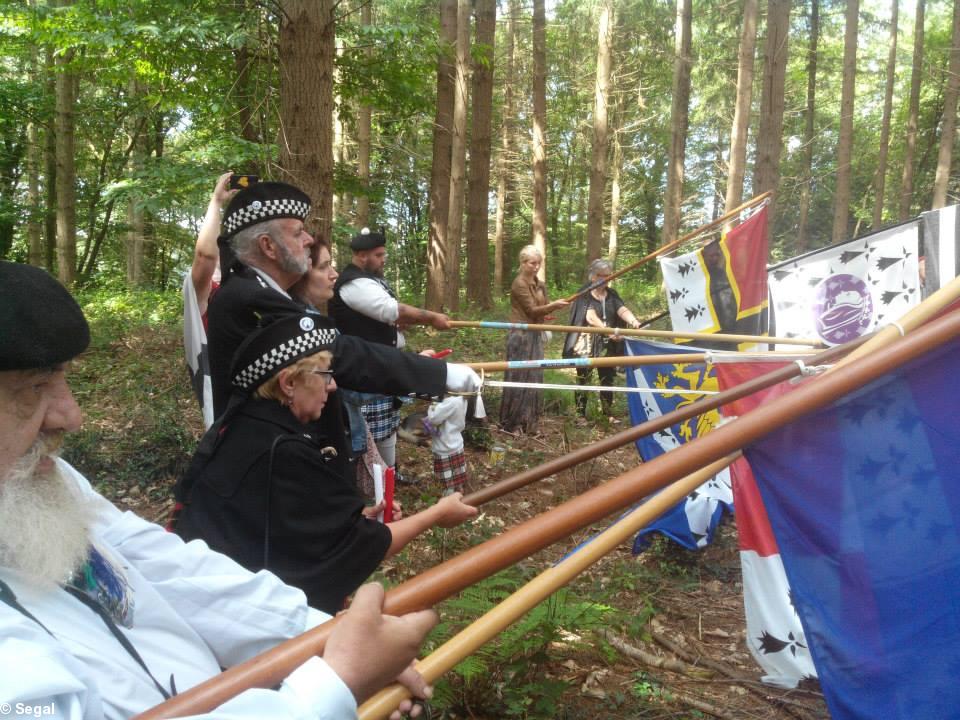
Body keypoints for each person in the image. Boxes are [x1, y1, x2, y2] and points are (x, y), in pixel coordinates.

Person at [0, 260, 437, 720]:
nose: (71, 417)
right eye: (34, 388)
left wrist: (319, 638)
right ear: (288, 384)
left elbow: (165, 564)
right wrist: (332, 684)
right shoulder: (277, 448)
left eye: (64, 379)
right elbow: (336, 544)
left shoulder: (42, 477)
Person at [173, 313, 478, 615]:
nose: (332, 387)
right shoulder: (286, 451)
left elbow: (284, 521)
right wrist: (437, 514)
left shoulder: (248, 425)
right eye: (325, 376)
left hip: (209, 596)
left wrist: (346, 518)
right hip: (241, 616)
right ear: (289, 383)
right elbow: (361, 546)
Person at [204, 182, 480, 462]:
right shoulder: (251, 298)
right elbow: (343, 354)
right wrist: (439, 374)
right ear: (268, 246)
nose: (309, 240)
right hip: (267, 461)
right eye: (299, 232)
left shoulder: (257, 290)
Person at [328, 227, 452, 484]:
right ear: (362, 256)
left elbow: (381, 317)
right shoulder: (354, 283)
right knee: (370, 432)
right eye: (379, 254)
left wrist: (395, 327)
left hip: (381, 365)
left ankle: (390, 476)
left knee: (387, 428)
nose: (384, 258)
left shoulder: (370, 280)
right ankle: (372, 483)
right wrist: (431, 318)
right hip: (365, 370)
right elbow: (391, 310)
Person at [183, 171, 237, 428]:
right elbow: (205, 256)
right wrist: (216, 203)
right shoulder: (202, 291)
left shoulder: (242, 287)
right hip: (224, 398)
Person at [499, 245, 568, 434]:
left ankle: (530, 422)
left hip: (535, 333)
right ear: (522, 263)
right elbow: (531, 310)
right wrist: (553, 306)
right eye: (532, 263)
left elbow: (542, 307)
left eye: (539, 263)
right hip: (520, 336)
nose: (536, 267)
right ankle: (512, 423)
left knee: (535, 374)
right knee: (520, 374)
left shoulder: (540, 283)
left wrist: (549, 313)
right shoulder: (519, 283)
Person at [562, 258, 642, 419]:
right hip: (587, 345)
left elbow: (621, 309)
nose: (606, 279)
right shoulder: (584, 294)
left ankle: (606, 413)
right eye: (602, 275)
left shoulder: (611, 294)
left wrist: (634, 321)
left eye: (609, 275)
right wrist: (607, 331)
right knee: (583, 379)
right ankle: (580, 415)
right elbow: (590, 317)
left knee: (607, 378)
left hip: (607, 345)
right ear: (593, 276)